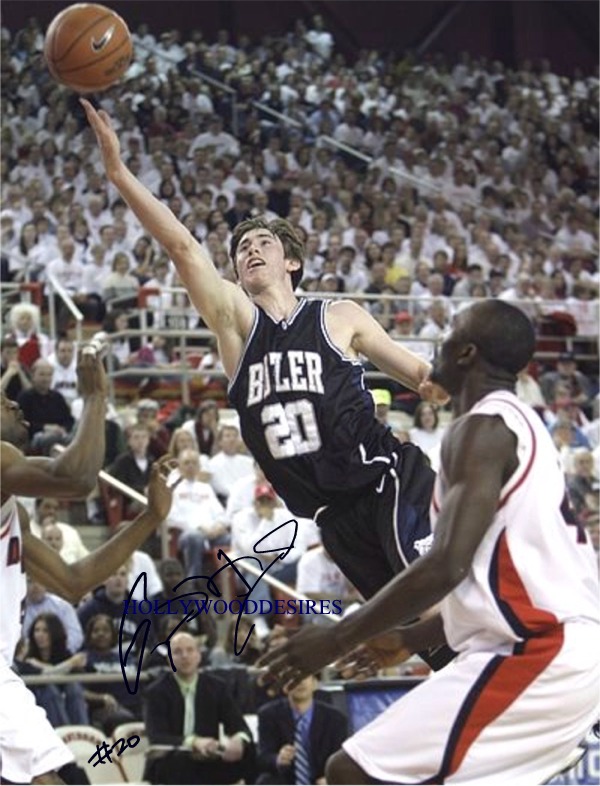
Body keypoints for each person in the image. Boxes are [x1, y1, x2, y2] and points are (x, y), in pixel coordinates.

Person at [82, 101, 451, 671]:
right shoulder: (236, 325)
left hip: (384, 476)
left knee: (422, 579)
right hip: (330, 513)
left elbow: (416, 373)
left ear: (293, 262)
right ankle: (497, 694)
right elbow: (182, 246)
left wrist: (438, 385)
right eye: (240, 249)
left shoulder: (339, 316)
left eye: (263, 244)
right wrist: (119, 174)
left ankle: (538, 652)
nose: (249, 250)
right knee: (412, 631)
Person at [257, 300, 600, 785]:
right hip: (554, 652)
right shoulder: (520, 428)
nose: (437, 343)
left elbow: (446, 565)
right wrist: (412, 637)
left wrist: (335, 638)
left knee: (350, 772)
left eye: (450, 333)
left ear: (466, 354)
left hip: (541, 654)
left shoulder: (481, 429)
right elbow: (498, 580)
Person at [0, 347, 178, 786]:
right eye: (2, 402)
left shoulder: (13, 509)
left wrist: (150, 517)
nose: (15, 403)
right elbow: (77, 480)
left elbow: (75, 581)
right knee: (57, 780)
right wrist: (96, 397)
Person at [142, 631, 255, 785]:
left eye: (190, 650)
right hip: (171, 761)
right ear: (169, 660)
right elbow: (157, 737)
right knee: (180, 761)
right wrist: (194, 742)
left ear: (199, 656)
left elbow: (240, 727)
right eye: (178, 652)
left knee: (250, 750)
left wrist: (238, 739)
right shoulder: (155, 692)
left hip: (207, 760)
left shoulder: (217, 687)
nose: (185, 656)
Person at [255, 674, 349, 785]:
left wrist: (329, 778)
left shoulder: (336, 719)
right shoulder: (268, 715)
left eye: (305, 676)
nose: (300, 682)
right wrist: (278, 759)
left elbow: (341, 759)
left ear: (315, 683)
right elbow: (263, 758)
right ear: (284, 686)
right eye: (294, 678)